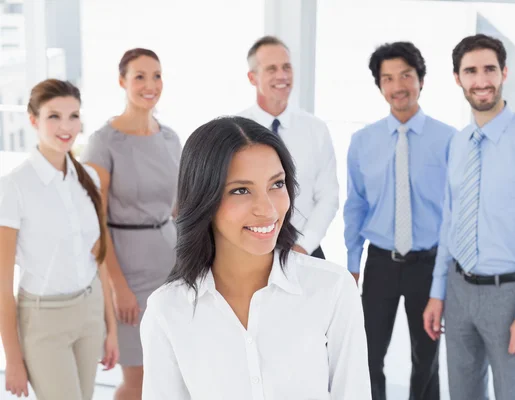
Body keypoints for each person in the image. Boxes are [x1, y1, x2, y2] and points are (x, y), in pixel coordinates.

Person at [139, 116, 371, 400]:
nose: (268, 209)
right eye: (241, 190)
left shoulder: (332, 290)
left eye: (276, 184)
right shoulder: (167, 310)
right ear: (204, 199)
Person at [423, 34, 515, 400]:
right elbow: (450, 223)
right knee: (462, 394)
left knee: (514, 394)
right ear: (458, 78)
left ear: (504, 72)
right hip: (458, 289)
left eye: (489, 69)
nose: (481, 80)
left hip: (510, 295)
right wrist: (438, 293)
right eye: (470, 71)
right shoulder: (458, 142)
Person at [344, 42, 456, 400]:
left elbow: (458, 211)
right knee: (368, 354)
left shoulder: (450, 140)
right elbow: (356, 205)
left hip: (431, 264)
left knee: (427, 359)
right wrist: (352, 263)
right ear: (380, 86)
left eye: (406, 75)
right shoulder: (362, 142)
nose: (398, 86)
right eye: (388, 78)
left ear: (420, 79)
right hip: (380, 263)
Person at [0, 79, 119, 400]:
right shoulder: (14, 187)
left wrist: (111, 328)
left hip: (90, 313)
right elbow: (2, 284)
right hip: (43, 322)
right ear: (33, 120)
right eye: (54, 116)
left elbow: (100, 258)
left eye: (73, 116)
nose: (66, 127)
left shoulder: (89, 178)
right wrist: (12, 360)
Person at [81, 48, 181, 400]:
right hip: (127, 269)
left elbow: (180, 208)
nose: (150, 84)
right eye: (140, 76)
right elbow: (95, 223)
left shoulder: (170, 138)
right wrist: (118, 286)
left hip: (171, 264)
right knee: (137, 380)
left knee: (168, 373)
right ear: (122, 81)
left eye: (156, 75)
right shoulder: (104, 142)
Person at [239, 35, 339, 259]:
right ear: (252, 77)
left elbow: (328, 196)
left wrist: (303, 246)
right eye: (271, 69)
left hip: (305, 250)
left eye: (286, 67)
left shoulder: (316, 129)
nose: (282, 76)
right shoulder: (234, 130)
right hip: (249, 250)